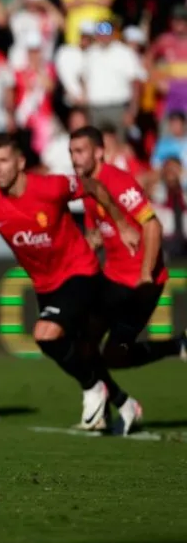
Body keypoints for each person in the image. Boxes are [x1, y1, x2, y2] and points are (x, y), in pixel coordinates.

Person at [0, 133, 143, 435]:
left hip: (80, 271)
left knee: (45, 334)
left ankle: (92, 387)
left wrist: (121, 224)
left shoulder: (51, 186)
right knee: (81, 349)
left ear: (20, 162)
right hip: (45, 285)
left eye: (3, 160)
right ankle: (123, 403)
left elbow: (93, 186)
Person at [68, 126, 187, 368]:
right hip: (114, 278)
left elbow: (152, 226)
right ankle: (103, 392)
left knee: (115, 355)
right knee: (83, 345)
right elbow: (96, 235)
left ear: (98, 152)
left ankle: (176, 345)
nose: (74, 158)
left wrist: (145, 275)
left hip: (141, 282)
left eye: (80, 151)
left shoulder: (118, 182)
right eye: (71, 152)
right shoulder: (87, 186)